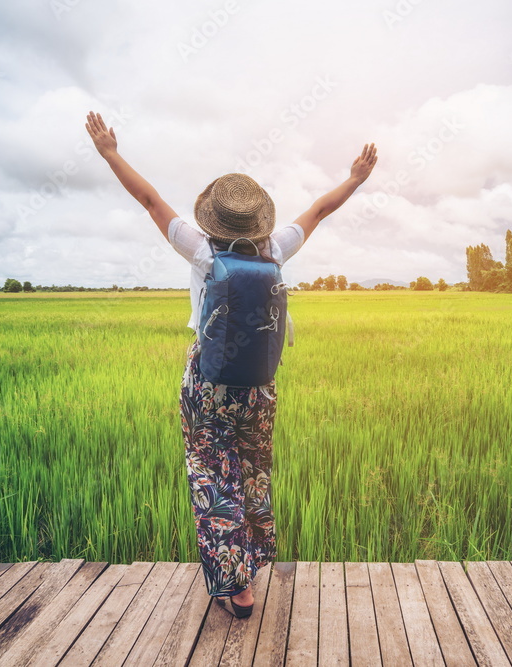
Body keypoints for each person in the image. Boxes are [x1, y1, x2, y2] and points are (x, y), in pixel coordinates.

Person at [85, 111, 377, 617]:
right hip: (260, 384)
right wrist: (355, 178)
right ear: (258, 220)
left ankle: (236, 589)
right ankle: (253, 565)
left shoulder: (201, 251)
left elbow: (150, 201)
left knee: (211, 477)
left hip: (207, 383)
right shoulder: (274, 251)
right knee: (252, 471)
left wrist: (110, 152)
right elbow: (319, 210)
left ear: (212, 220)